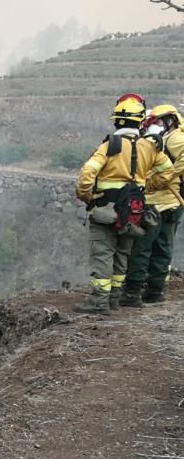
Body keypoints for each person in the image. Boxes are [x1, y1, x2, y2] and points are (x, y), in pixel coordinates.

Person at [75, 96, 174, 313]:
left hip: (105, 210)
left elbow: (87, 172)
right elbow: (168, 172)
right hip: (133, 213)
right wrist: (147, 186)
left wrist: (87, 195)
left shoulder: (110, 145)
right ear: (140, 122)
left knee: (103, 253)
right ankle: (114, 299)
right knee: (122, 254)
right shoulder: (150, 146)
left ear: (117, 121)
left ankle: (99, 302)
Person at [120, 104, 184, 306]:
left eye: (156, 122)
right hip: (171, 204)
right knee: (163, 248)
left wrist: (162, 178)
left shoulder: (175, 138)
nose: (153, 126)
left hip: (156, 204)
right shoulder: (166, 139)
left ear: (169, 120)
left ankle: (132, 293)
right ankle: (155, 291)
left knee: (142, 248)